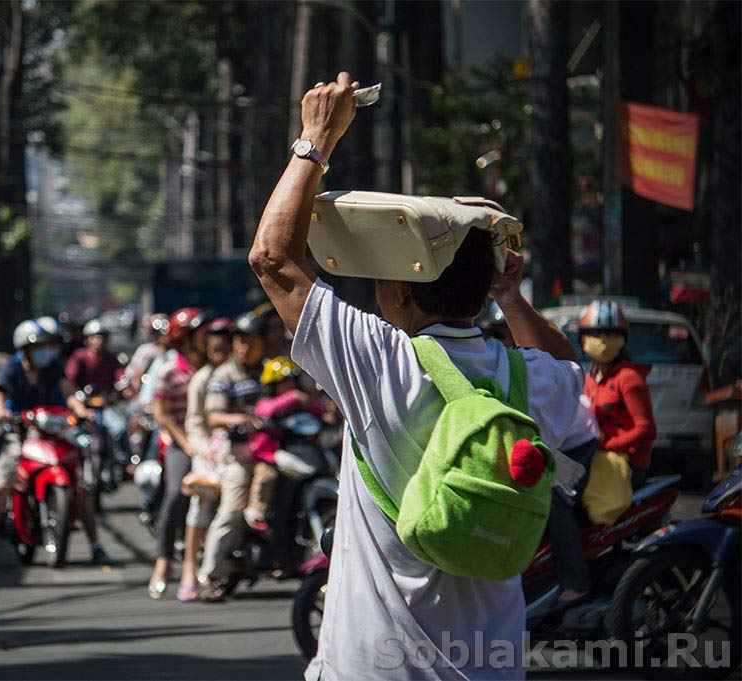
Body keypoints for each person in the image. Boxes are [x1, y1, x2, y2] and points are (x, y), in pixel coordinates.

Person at [247, 72, 589, 679]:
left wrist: (315, 140)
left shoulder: (381, 361)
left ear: (399, 290)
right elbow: (569, 366)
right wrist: (509, 298)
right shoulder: (530, 380)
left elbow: (272, 259)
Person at [0, 319, 114, 569]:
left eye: (46, 345)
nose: (44, 351)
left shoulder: (52, 367)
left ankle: (96, 546)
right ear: (24, 349)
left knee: (81, 486)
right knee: (1, 485)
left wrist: (80, 409)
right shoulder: (10, 369)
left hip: (53, 431)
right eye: (38, 347)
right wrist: (2, 413)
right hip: (20, 433)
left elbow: (68, 392)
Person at [197, 312, 267, 602]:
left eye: (250, 341)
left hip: (269, 450)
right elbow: (213, 416)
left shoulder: (269, 370)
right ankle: (210, 574)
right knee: (232, 510)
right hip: (236, 454)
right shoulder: (223, 375)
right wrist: (241, 418)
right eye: (239, 341)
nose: (244, 347)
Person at [147, 308, 209, 600]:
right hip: (181, 442)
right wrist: (186, 444)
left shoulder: (214, 367)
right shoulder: (169, 370)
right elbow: (161, 414)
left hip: (212, 442)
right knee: (175, 493)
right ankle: (163, 560)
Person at [177, 317, 232, 602]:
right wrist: (206, 449)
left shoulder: (240, 375)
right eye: (216, 350)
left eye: (227, 348)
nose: (222, 355)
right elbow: (195, 423)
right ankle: (189, 566)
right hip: (208, 452)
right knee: (201, 501)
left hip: (237, 450)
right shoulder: (201, 380)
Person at [580, 300, 657, 489]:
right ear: (583, 339)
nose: (603, 341)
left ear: (622, 339)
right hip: (598, 457)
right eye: (596, 334)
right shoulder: (589, 378)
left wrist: (610, 445)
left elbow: (646, 430)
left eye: (611, 334)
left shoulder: (629, 378)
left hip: (626, 463)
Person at [242, 355, 324, 532]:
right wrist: (292, 397)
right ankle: (257, 510)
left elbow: (317, 409)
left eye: (292, 382)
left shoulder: (301, 402)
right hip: (269, 455)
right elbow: (264, 411)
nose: (289, 386)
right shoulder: (269, 403)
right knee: (266, 475)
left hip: (299, 452)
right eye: (283, 382)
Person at [64, 319, 129, 462]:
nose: (99, 340)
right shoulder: (79, 357)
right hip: (83, 406)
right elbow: (69, 378)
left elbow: (120, 375)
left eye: (102, 337)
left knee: (120, 427)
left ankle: (123, 462)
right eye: (95, 337)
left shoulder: (111, 359)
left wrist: (125, 386)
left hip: (105, 405)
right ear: (88, 340)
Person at [125, 314, 169, 392]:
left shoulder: (173, 353)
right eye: (157, 334)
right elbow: (135, 376)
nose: (164, 337)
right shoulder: (145, 350)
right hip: (147, 393)